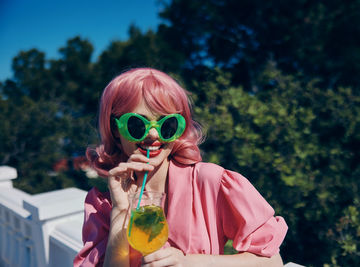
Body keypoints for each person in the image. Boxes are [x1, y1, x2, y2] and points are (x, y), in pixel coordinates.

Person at [74, 68, 288, 267]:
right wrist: (120, 211)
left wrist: (190, 262)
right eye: (137, 124)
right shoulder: (102, 205)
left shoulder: (210, 182)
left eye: (167, 124)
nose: (153, 135)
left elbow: (272, 261)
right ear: (115, 130)